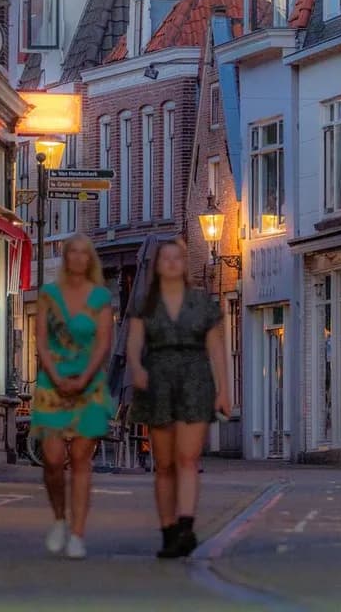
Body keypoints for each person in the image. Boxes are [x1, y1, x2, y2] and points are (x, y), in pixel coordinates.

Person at [126, 238, 231, 558]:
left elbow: (216, 347)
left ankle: (186, 526)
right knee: (164, 464)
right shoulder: (145, 304)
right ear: (157, 266)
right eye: (166, 258)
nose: (171, 263)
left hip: (194, 380)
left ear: (184, 265)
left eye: (177, 258)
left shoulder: (201, 303)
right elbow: (134, 342)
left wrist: (224, 389)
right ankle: (167, 529)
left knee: (187, 459)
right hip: (158, 380)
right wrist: (137, 369)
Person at [31, 233, 114, 559]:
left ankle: (78, 533)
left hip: (88, 386)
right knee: (52, 460)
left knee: (81, 460)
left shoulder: (100, 298)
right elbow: (40, 341)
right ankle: (59, 519)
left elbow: (103, 343)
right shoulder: (48, 296)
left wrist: (84, 379)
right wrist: (55, 376)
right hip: (53, 385)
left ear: (90, 259)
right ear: (65, 257)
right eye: (73, 252)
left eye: (84, 252)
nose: (78, 257)